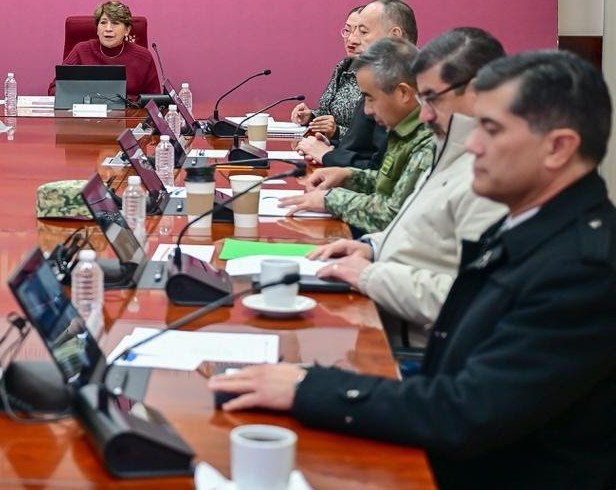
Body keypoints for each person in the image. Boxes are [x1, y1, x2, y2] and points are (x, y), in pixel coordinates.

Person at [209, 50, 616, 489]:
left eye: (491, 130)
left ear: (558, 147)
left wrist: (310, 388)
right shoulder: (535, 222)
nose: (472, 144)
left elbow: (466, 412)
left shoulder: (582, 270)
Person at [305, 28, 508, 347]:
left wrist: (369, 275)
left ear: (475, 92)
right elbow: (413, 223)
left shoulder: (489, 178)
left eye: (431, 98)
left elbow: (469, 298)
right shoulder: (447, 147)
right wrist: (373, 248)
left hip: (413, 352)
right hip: (385, 319)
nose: (423, 113)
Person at [281, 37, 435, 234]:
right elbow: (391, 183)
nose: (367, 110)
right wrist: (348, 176)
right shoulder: (403, 129)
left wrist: (330, 200)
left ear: (403, 93)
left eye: (370, 98)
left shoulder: (428, 139)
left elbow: (392, 215)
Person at [297, 0, 418, 169]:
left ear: (394, 36)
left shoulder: (402, 86)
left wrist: (328, 156)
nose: (352, 40)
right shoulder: (374, 77)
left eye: (363, 32)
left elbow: (379, 169)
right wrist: (331, 147)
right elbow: (361, 148)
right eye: (350, 31)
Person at [50, 0, 159, 98]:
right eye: (103, 22)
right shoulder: (81, 51)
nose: (108, 29)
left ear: (127, 30)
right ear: (97, 29)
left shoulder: (143, 56)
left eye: (115, 23)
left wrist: (126, 102)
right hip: (88, 112)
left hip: (129, 113)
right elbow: (54, 89)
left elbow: (154, 99)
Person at [291, 5, 364, 139]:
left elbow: (375, 137)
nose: (351, 39)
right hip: (326, 147)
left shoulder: (378, 77)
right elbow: (331, 113)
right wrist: (312, 116)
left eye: (362, 32)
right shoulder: (343, 67)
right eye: (347, 30)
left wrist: (337, 132)